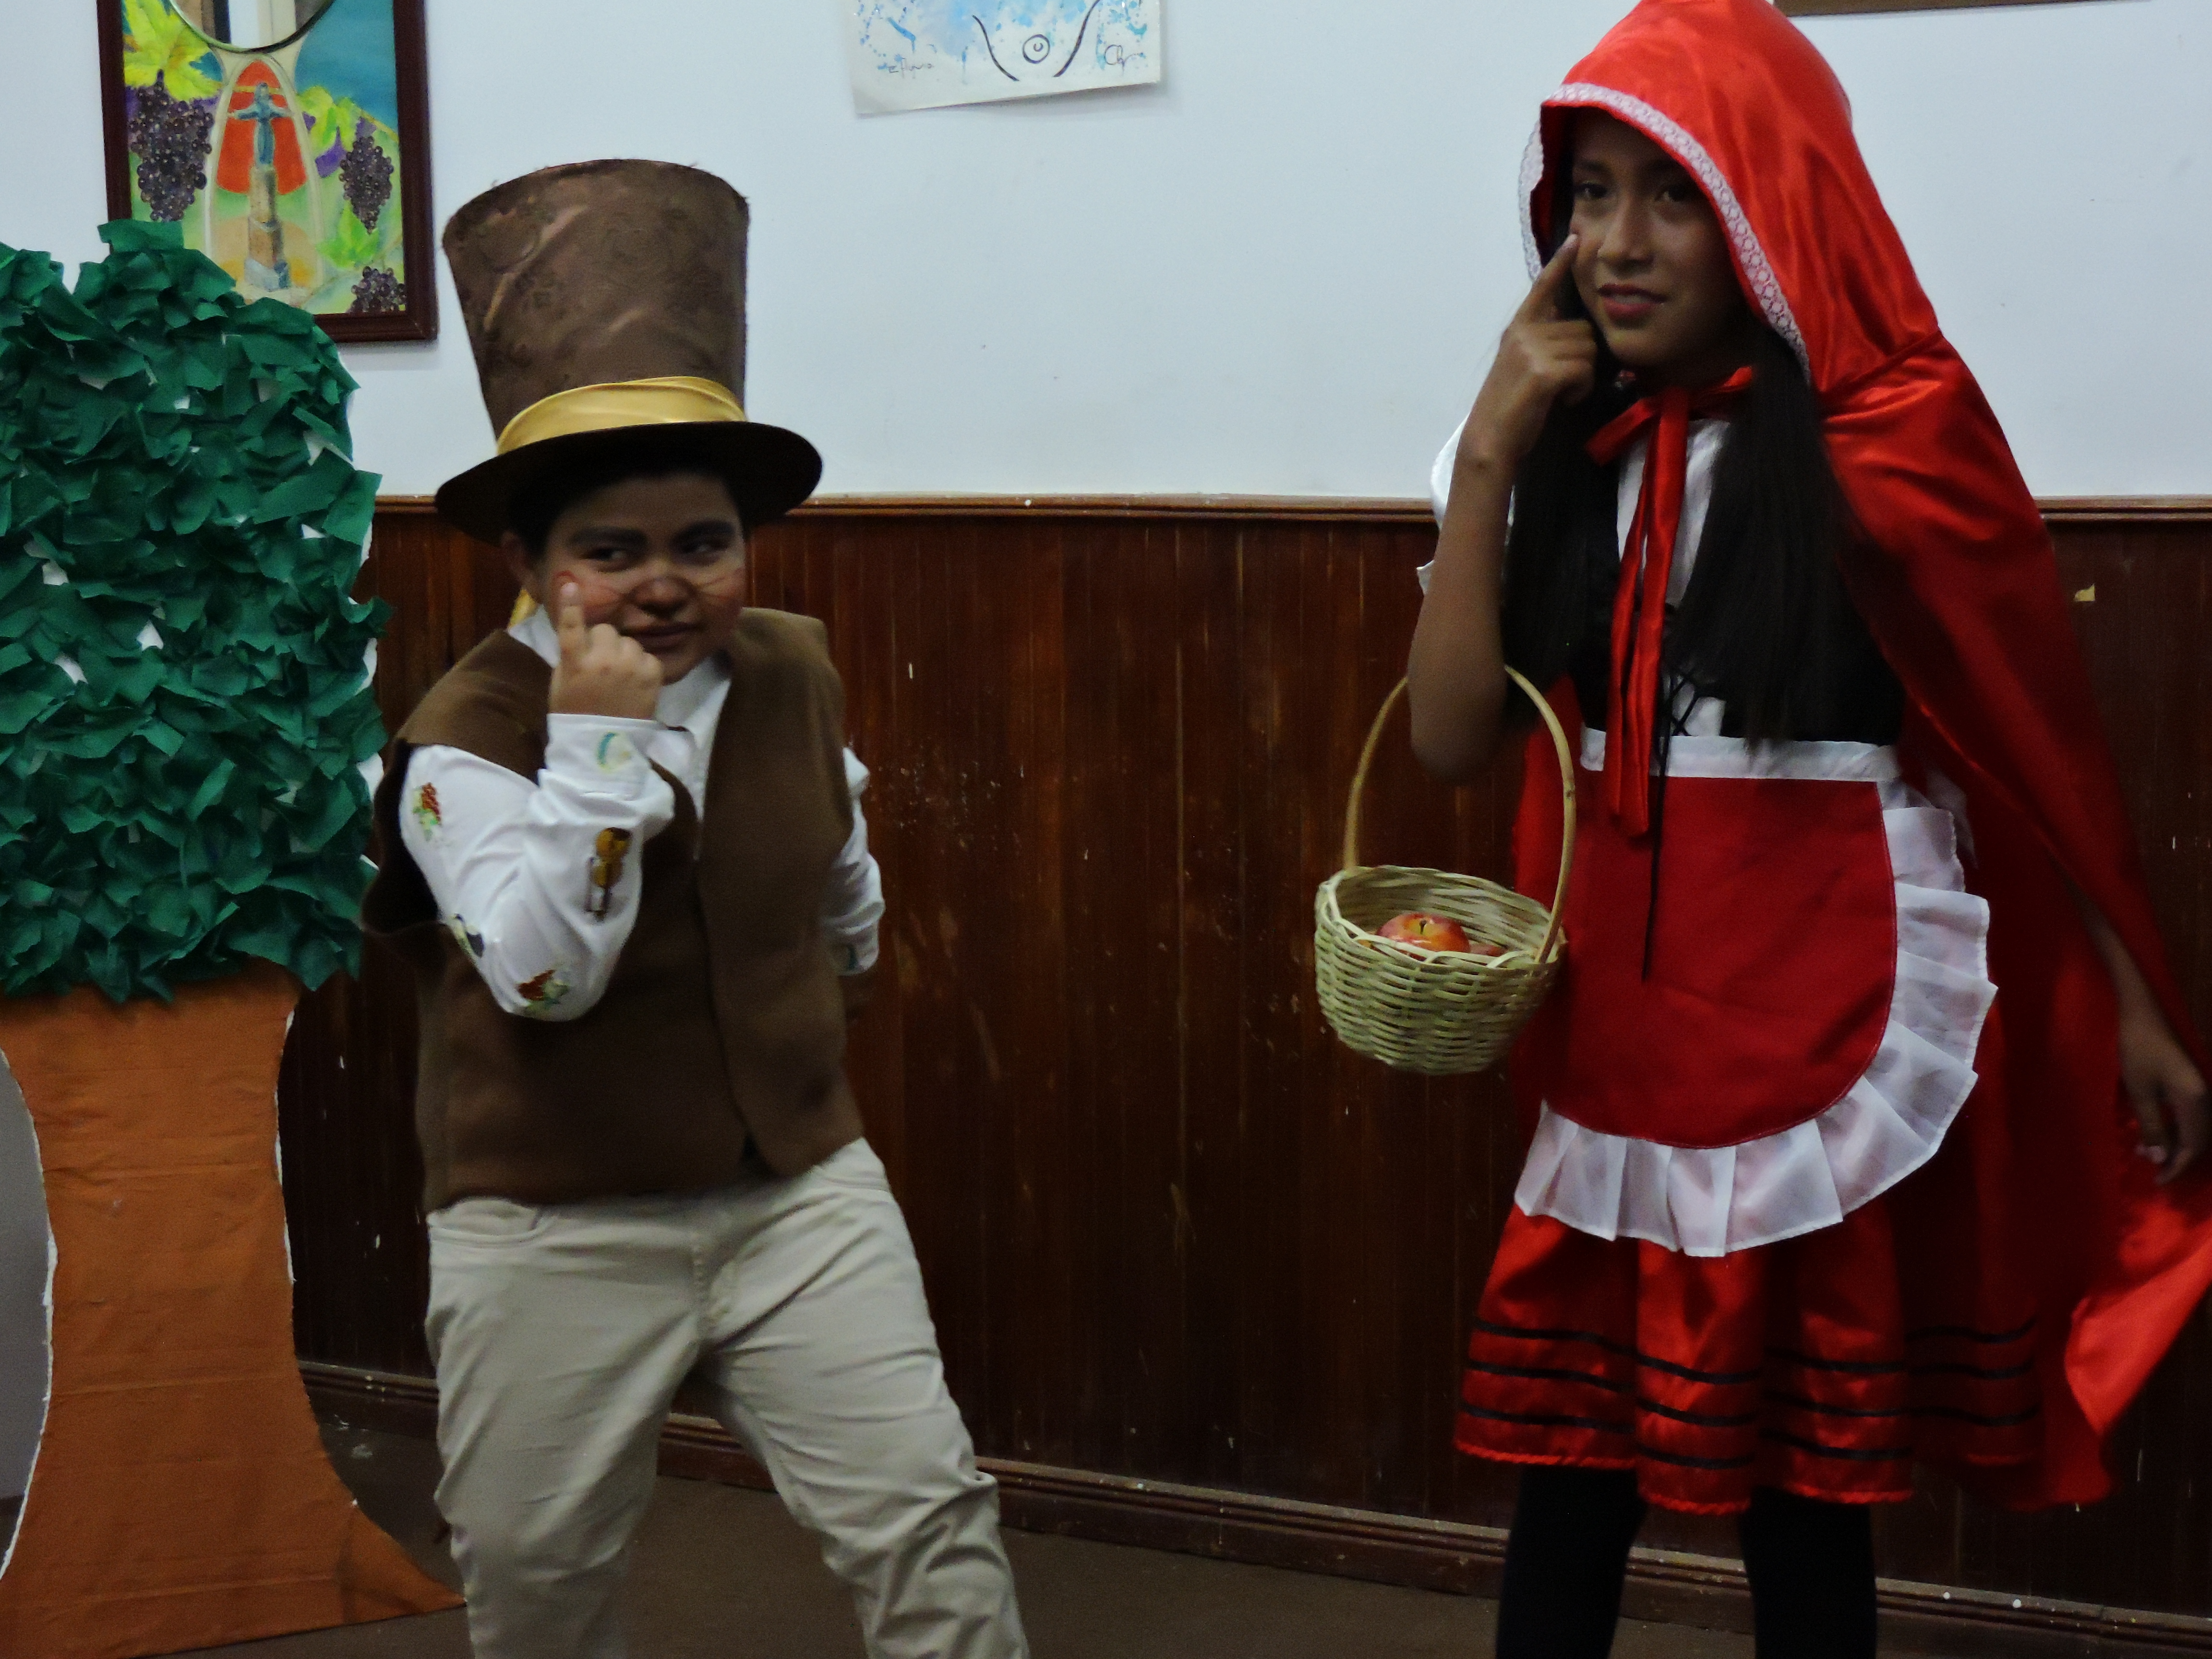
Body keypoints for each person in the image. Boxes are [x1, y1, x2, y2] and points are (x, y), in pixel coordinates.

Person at [1406, 3, 2212, 1655]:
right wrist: (1491, 447)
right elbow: (1441, 741)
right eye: (1591, 194)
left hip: (1818, 1002)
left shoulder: (1891, 447)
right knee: (1573, 1476)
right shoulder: (1548, 453)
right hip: (1622, 1029)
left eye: (1673, 193)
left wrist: (2132, 996)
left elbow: (2027, 742)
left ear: (1773, 200)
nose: (1617, 244)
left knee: (1806, 1501)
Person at [361, 159, 1028, 1659]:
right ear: (528, 567)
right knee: (538, 1579)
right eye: (611, 551)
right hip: (549, 1223)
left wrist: (800, 1047)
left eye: (703, 543)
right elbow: (544, 984)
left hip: (794, 1192)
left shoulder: (791, 668)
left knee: (929, 1517)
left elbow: (843, 887)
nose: (663, 585)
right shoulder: (460, 743)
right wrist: (598, 750)